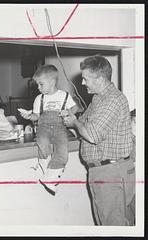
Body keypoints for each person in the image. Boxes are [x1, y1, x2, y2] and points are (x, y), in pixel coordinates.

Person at [63, 55, 135, 226]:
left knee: (112, 227)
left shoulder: (111, 99)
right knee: (124, 225)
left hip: (109, 172)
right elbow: (84, 125)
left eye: (85, 78)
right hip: (113, 169)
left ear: (101, 79)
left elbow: (92, 135)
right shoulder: (98, 98)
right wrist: (72, 120)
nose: (82, 83)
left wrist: (74, 122)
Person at [20, 64, 80, 195]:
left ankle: (50, 179)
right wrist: (29, 116)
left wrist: (68, 112)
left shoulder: (64, 96)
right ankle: (47, 172)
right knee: (42, 143)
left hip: (60, 128)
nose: (38, 87)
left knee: (63, 152)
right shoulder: (39, 99)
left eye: (41, 84)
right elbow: (36, 116)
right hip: (44, 127)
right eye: (37, 84)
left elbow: (76, 108)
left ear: (52, 82)